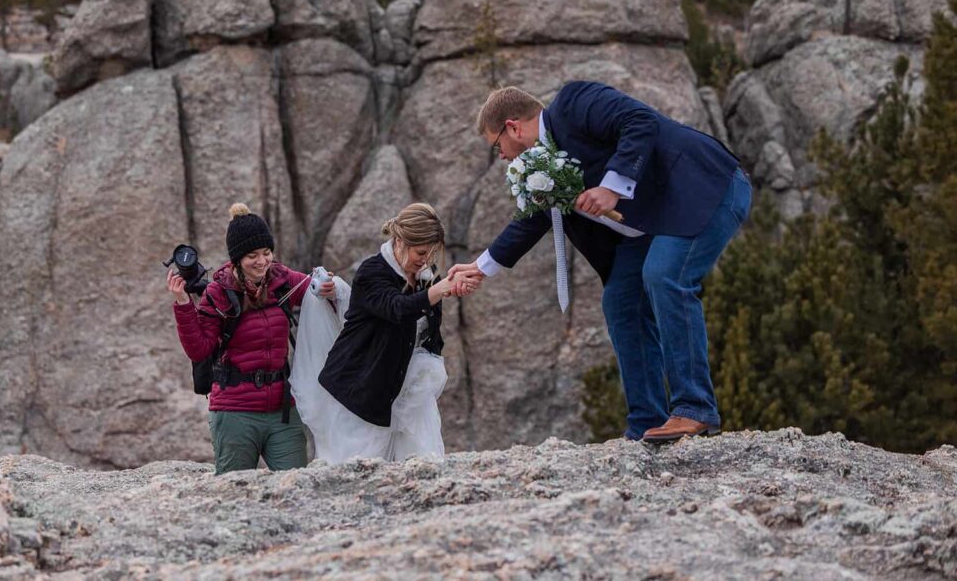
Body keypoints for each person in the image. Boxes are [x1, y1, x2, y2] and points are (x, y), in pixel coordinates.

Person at [450, 82, 752, 443]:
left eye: (497, 144)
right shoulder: (540, 164)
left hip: (706, 188)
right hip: (655, 224)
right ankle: (646, 422)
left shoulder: (575, 102)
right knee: (620, 301)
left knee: (664, 275)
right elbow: (535, 218)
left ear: (513, 126)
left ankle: (694, 407)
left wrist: (611, 187)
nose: (500, 155)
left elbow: (640, 121)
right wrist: (481, 267)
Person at [167, 202, 335, 474]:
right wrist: (183, 304)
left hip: (282, 410)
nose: (262, 261)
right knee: (233, 494)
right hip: (234, 412)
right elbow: (199, 350)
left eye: (267, 252)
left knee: (298, 490)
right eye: (252, 255)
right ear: (237, 259)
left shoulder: (283, 279)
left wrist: (329, 286)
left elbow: (314, 290)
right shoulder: (218, 292)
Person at [291, 203, 464, 463]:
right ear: (399, 242)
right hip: (359, 393)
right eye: (420, 252)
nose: (426, 260)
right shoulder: (372, 273)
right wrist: (439, 291)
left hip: (406, 394)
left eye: (431, 253)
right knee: (355, 468)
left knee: (420, 466)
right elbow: (397, 308)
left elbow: (430, 331)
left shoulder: (428, 277)